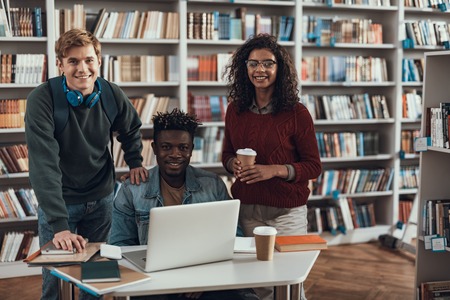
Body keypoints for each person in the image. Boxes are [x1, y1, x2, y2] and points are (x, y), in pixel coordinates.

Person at [25, 28, 148, 300]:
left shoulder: (111, 94)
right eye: (73, 61)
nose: (83, 68)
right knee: (55, 281)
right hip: (61, 200)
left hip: (101, 197)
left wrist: (135, 160)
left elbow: (131, 128)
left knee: (94, 279)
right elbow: (43, 164)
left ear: (99, 61)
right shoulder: (42, 100)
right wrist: (59, 225)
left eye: (89, 60)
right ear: (60, 64)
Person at [109, 108, 258, 300]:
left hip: (206, 277)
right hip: (153, 282)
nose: (175, 154)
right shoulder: (132, 189)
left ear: (191, 149)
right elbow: (119, 246)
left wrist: (202, 277)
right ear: (154, 148)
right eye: (166, 147)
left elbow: (233, 239)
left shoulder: (212, 184)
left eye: (183, 147)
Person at [221, 34, 322, 300]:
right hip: (248, 209)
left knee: (289, 283)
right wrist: (235, 166)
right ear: (245, 68)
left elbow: (313, 166)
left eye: (268, 63)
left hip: (288, 211)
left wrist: (273, 170)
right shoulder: (235, 110)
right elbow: (227, 155)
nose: (260, 70)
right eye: (253, 64)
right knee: (259, 284)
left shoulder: (297, 113)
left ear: (280, 68)